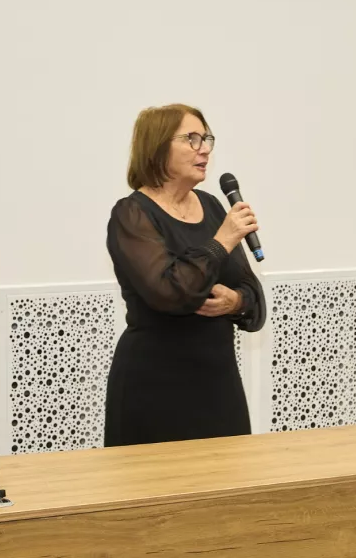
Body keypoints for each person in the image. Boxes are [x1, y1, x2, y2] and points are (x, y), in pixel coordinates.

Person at [104, 104, 266, 447]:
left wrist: (235, 301)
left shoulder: (211, 205)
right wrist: (221, 241)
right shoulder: (131, 214)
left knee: (230, 478)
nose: (204, 149)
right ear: (158, 146)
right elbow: (170, 292)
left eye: (207, 139)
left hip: (218, 384)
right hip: (154, 387)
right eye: (192, 139)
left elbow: (252, 294)